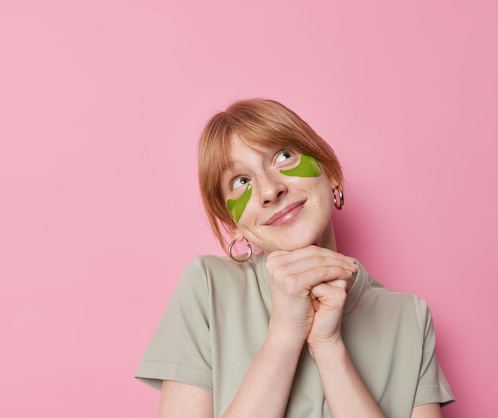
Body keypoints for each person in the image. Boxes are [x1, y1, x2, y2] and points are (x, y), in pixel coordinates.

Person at [135, 98, 455, 417]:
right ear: (235, 226)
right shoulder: (207, 288)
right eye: (241, 181)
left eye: (283, 156)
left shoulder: (408, 317)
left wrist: (329, 348)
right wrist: (285, 333)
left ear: (330, 172)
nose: (270, 190)